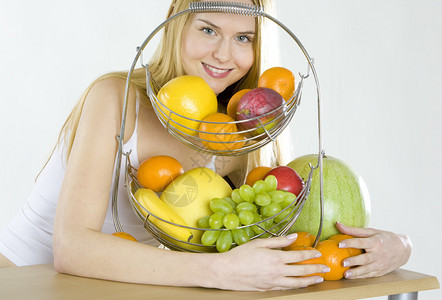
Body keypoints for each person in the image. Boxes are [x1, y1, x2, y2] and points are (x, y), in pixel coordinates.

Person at [0, 0, 411, 291]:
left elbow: (282, 240)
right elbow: (71, 248)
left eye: (243, 38)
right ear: (178, 25)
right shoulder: (116, 97)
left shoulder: (238, 129)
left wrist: (394, 248)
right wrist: (218, 271)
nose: (223, 54)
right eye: (208, 30)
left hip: (113, 287)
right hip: (21, 281)